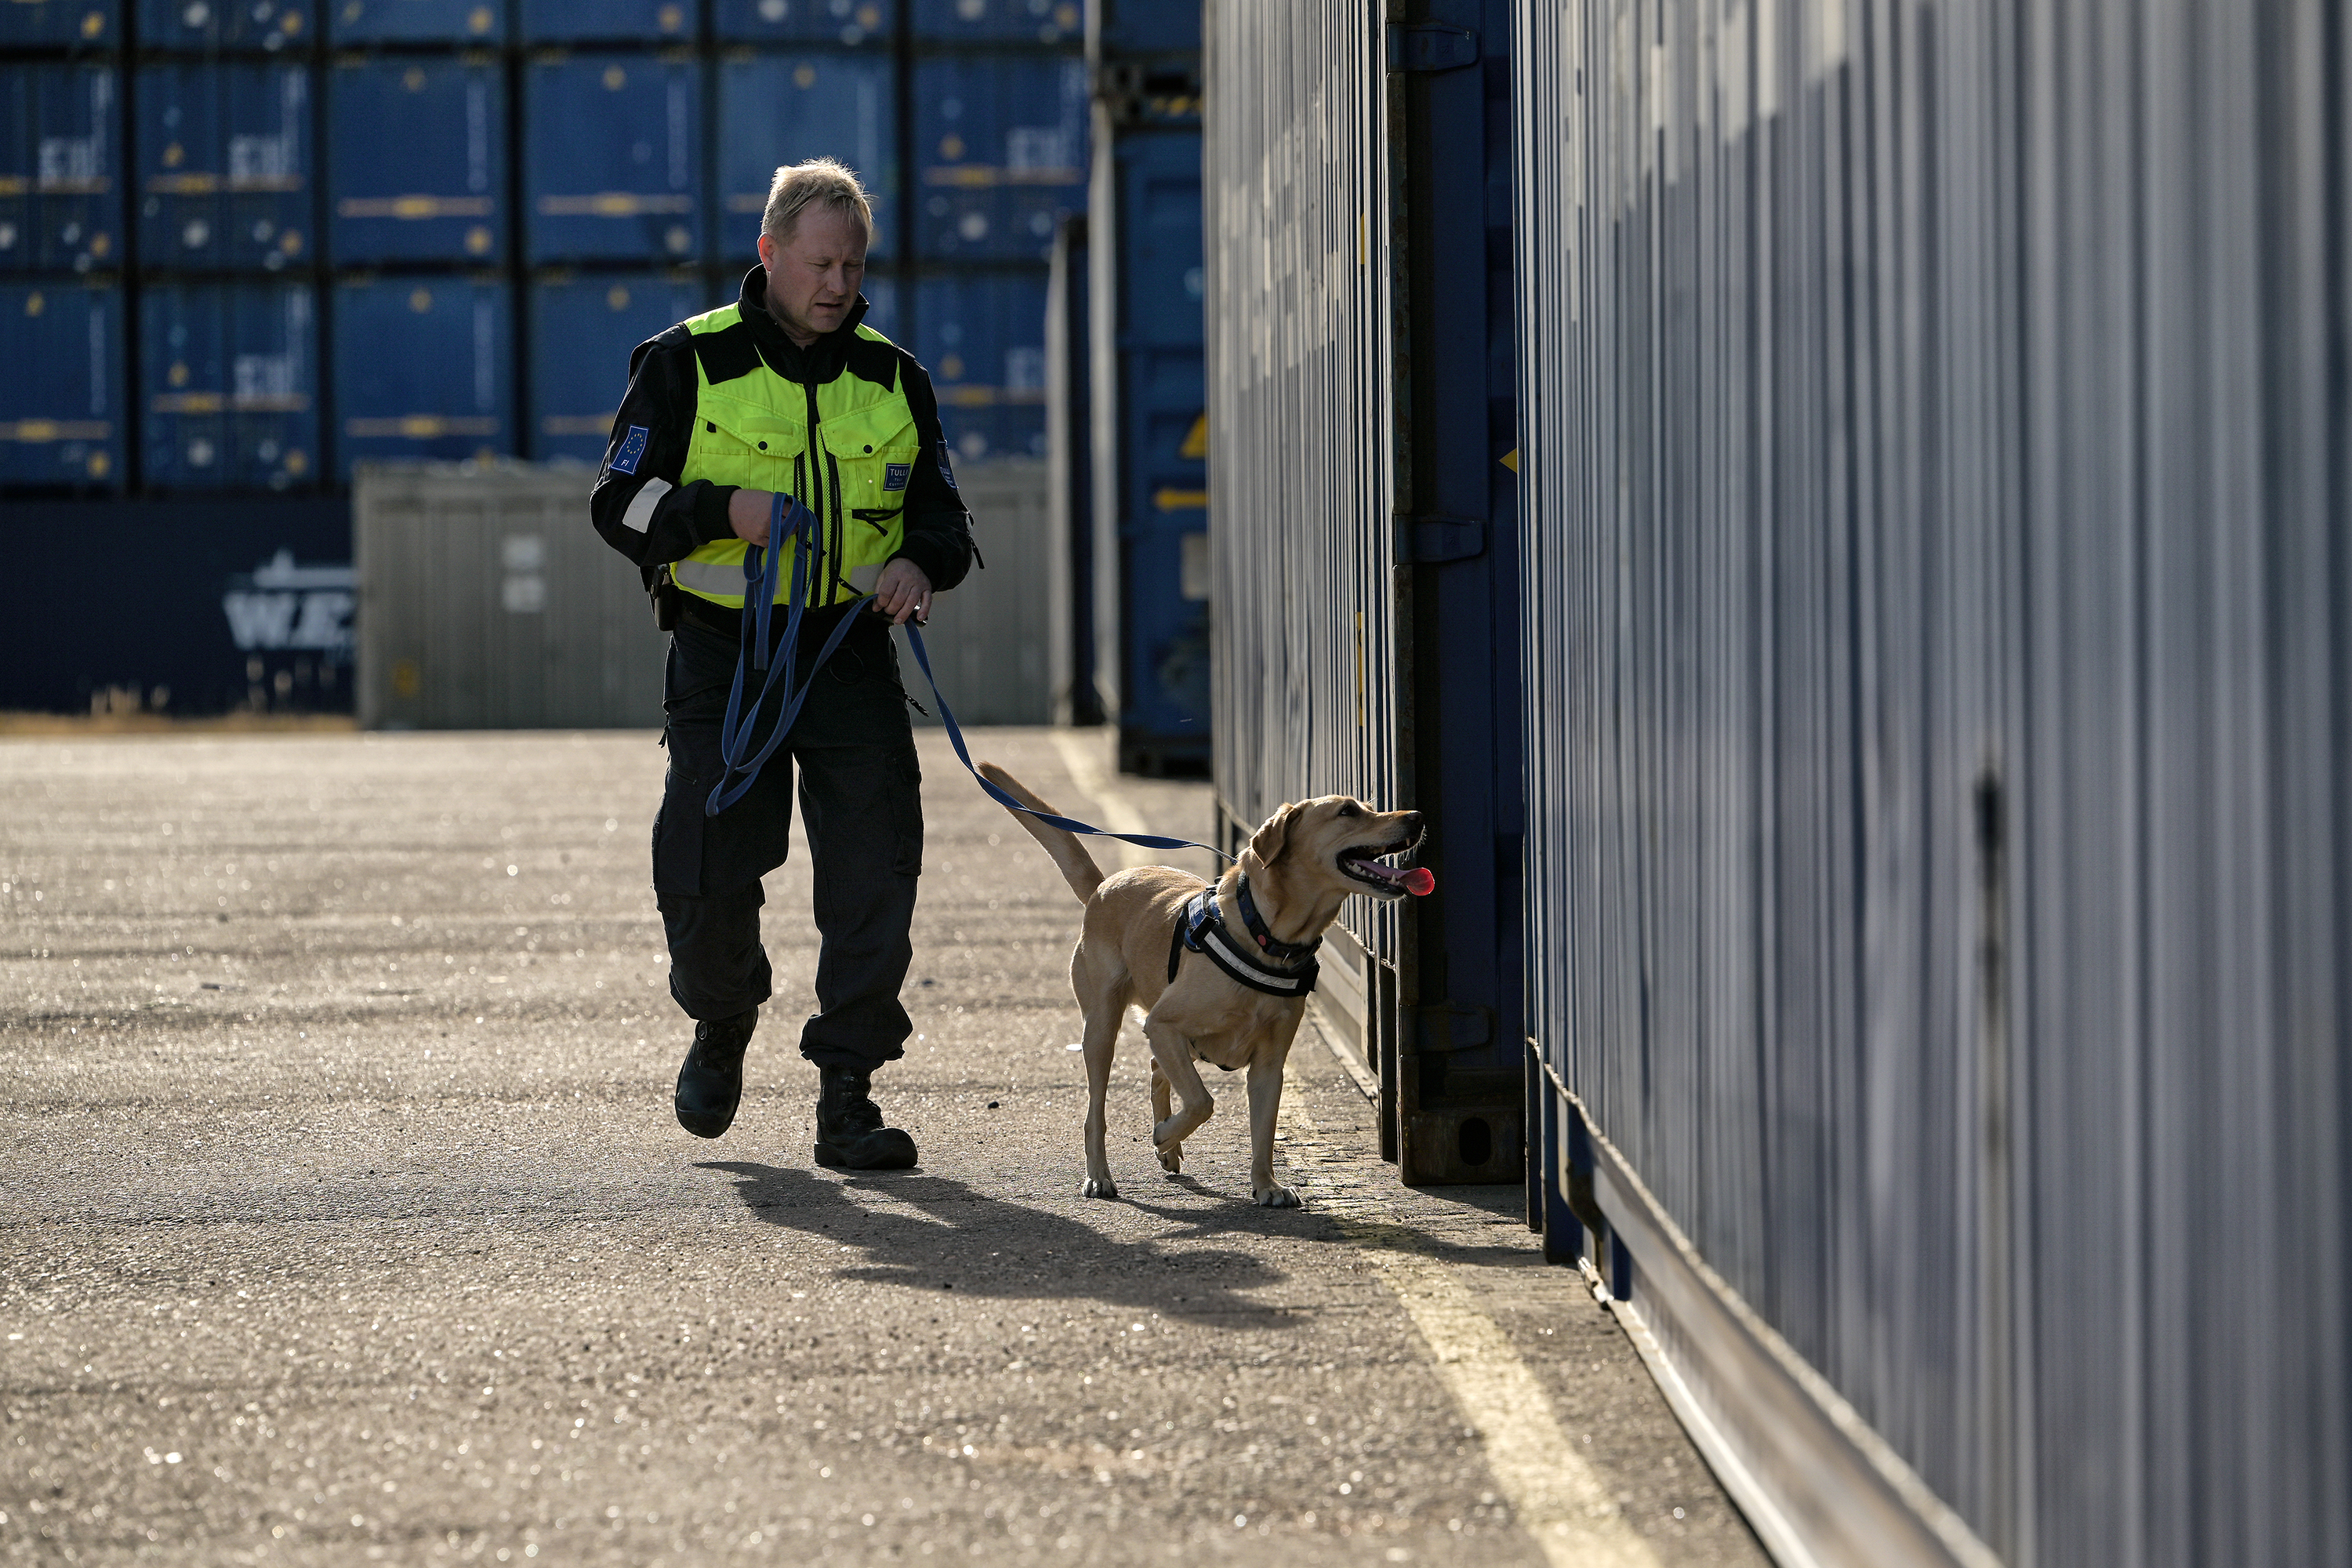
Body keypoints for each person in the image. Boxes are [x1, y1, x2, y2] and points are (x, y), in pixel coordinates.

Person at [589, 158, 975, 1170]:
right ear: (769, 255)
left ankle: (847, 1095)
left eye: (853, 264)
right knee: (711, 870)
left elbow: (946, 520)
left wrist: (915, 561)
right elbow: (616, 508)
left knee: (875, 873)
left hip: (849, 654)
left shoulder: (897, 379)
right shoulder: (686, 364)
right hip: (727, 656)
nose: (839, 284)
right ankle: (722, 1023)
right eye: (820, 263)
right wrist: (726, 514)